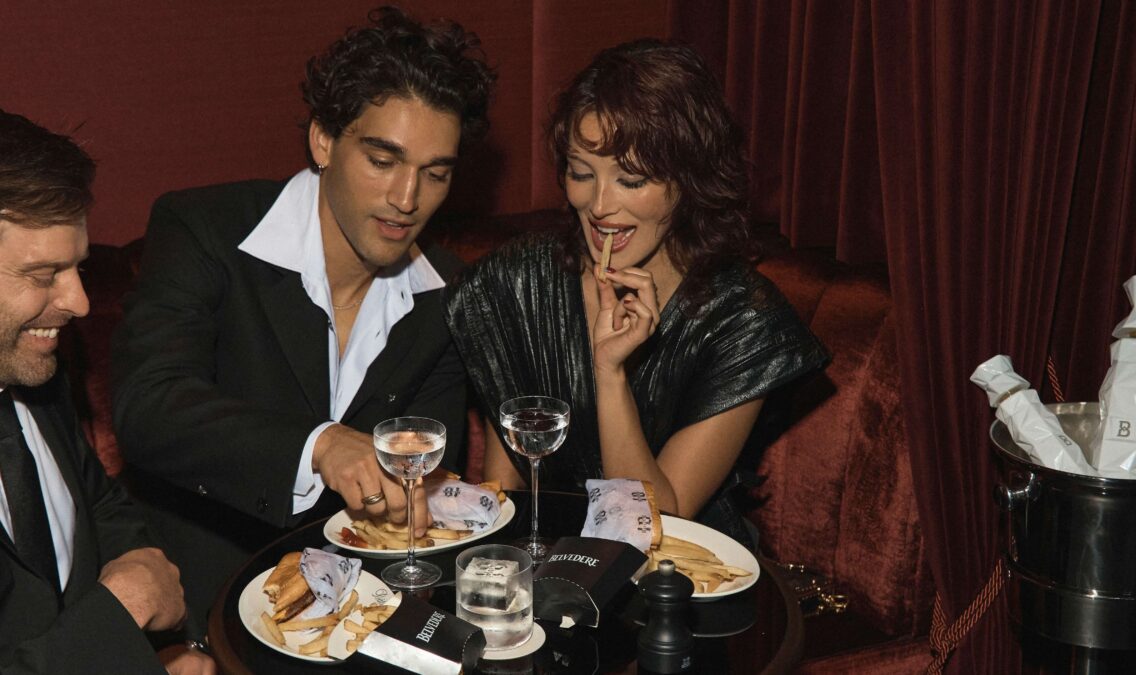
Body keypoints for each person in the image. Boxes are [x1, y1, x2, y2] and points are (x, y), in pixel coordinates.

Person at [111, 7, 495, 630]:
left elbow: (417, 488)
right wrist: (319, 445)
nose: (407, 199)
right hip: (201, 614)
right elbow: (148, 407)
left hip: (362, 620)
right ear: (323, 141)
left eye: (435, 173)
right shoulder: (205, 230)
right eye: (382, 160)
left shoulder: (446, 292)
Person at [445, 39, 829, 546]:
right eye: (582, 173)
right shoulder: (516, 282)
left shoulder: (743, 320)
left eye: (631, 179)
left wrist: (610, 373)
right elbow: (508, 493)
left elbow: (659, 521)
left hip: (680, 572)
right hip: (547, 556)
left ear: (689, 180)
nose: (600, 205)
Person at [0, 109, 214, 674]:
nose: (79, 302)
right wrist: (123, 613)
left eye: (77, 268)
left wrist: (155, 644)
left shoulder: (32, 370)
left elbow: (96, 502)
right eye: (43, 275)